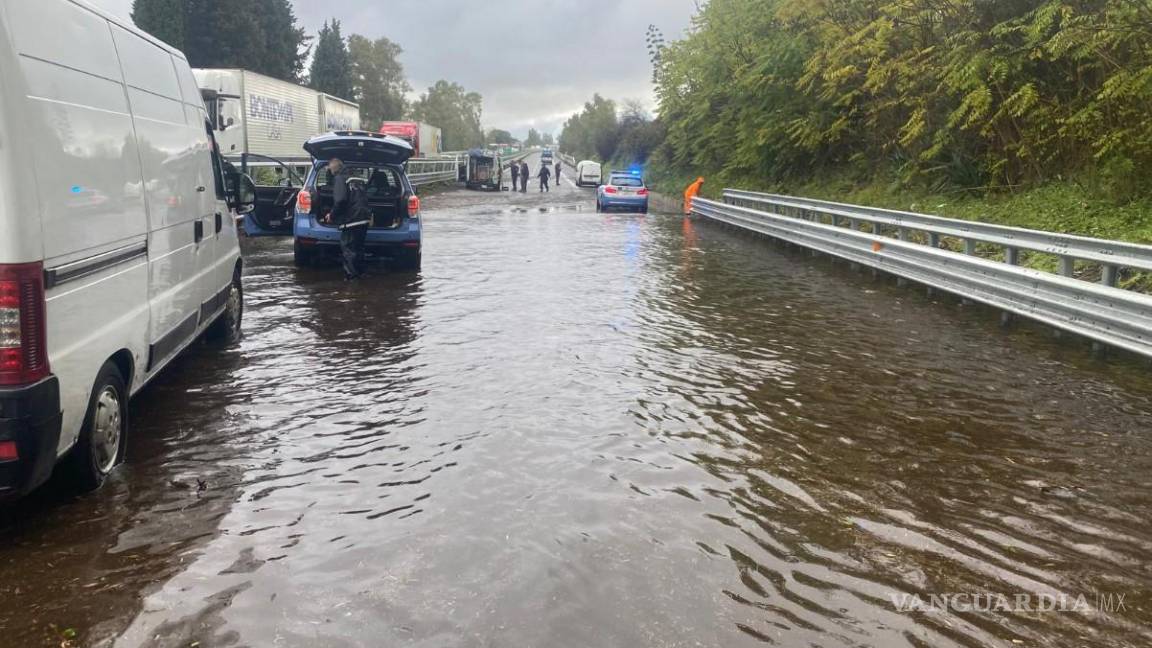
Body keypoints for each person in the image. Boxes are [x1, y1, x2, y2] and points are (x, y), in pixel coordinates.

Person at [328, 158, 371, 279]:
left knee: (348, 250)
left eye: (329, 168)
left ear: (334, 169)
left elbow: (340, 200)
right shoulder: (356, 179)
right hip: (364, 218)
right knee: (359, 248)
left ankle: (351, 280)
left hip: (352, 220)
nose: (329, 170)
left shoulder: (339, 179)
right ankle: (361, 274)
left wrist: (331, 215)